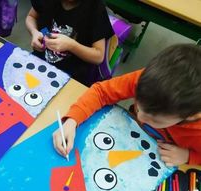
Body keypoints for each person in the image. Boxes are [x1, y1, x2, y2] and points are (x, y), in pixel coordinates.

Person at [53, 44, 201, 166]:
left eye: (156, 120)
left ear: (192, 115)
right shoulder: (149, 81)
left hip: (162, 160)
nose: (141, 118)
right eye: (139, 106)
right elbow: (101, 92)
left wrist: (188, 156)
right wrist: (72, 120)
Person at [25, 0, 114, 86]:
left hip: (72, 76)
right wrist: (34, 32)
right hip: (39, 62)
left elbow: (98, 56)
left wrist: (71, 45)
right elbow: (31, 17)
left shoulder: (95, 8)